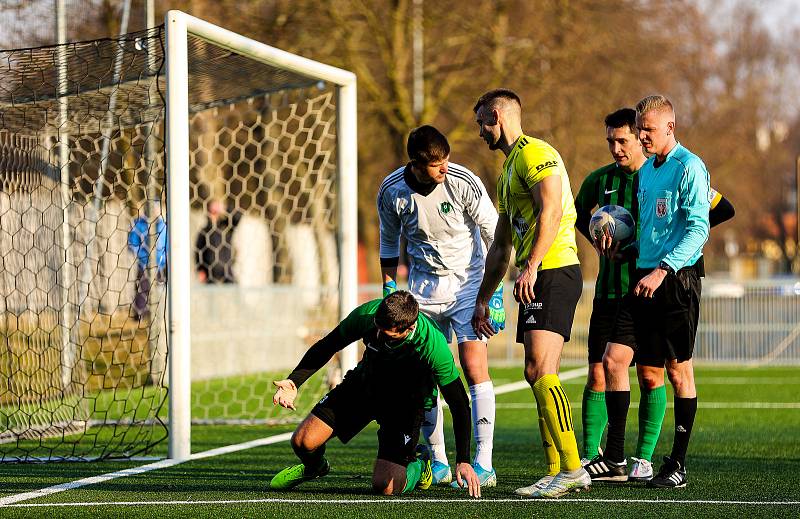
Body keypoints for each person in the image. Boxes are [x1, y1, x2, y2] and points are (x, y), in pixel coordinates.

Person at [575, 108, 734, 483]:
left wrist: (664, 267)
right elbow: (648, 230)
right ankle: (613, 458)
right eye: (640, 130)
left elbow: (698, 229)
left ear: (669, 127)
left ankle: (676, 464)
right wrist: (629, 252)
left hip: (676, 281)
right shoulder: (647, 172)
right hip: (644, 277)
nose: (643, 137)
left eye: (647, 130)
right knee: (613, 360)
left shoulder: (690, 167)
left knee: (677, 373)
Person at [471, 89, 590, 498]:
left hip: (554, 268)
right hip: (538, 273)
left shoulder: (535, 152)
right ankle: (557, 470)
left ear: (497, 116)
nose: (479, 133)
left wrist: (534, 265)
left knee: (541, 369)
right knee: (535, 372)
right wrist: (483, 297)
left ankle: (573, 468)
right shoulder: (506, 173)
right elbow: (501, 246)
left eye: (481, 123)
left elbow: (552, 209)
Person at [377, 125, 503, 488]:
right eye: (436, 165)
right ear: (415, 165)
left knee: (473, 365)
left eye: (446, 161)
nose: (444, 169)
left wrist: (492, 292)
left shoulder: (463, 180)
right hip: (422, 292)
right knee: (425, 375)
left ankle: (483, 462)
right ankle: (440, 460)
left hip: (468, 286)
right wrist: (389, 286)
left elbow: (495, 233)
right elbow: (388, 240)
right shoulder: (392, 191)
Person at [269, 291, 481, 497]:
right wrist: (293, 381)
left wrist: (463, 460)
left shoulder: (433, 346)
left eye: (387, 334)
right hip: (365, 384)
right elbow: (328, 345)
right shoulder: (367, 315)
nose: (378, 335)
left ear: (409, 328)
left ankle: (418, 461)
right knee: (302, 441)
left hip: (404, 403)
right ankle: (315, 468)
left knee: (385, 486)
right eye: (378, 328)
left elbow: (459, 403)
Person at [127, 213, 167, 320]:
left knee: (159, 288)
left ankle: (158, 313)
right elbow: (132, 243)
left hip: (160, 265)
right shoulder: (139, 224)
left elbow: (167, 243)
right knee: (142, 289)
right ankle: (140, 315)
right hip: (144, 263)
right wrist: (142, 257)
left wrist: (164, 258)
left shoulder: (163, 224)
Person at [194, 199, 241, 284]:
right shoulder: (204, 231)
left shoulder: (226, 227)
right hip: (210, 273)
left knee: (233, 293)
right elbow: (198, 251)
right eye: (212, 210)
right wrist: (200, 270)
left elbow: (238, 217)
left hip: (227, 271)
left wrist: (224, 208)